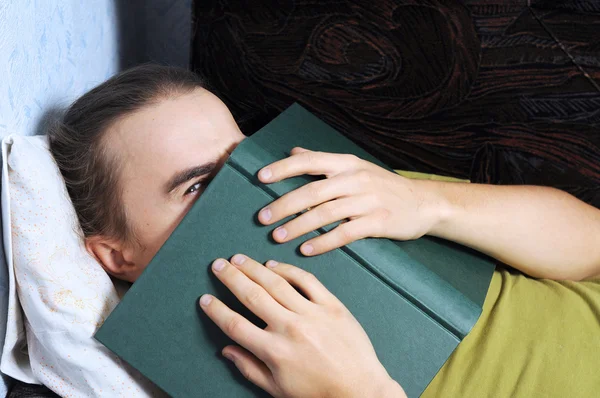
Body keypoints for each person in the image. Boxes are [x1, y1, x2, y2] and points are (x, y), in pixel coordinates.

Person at [49, 64, 600, 397]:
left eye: (241, 157)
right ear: (113, 256)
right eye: (196, 188)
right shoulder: (182, 360)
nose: (250, 189)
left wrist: (430, 202)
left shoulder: (320, 187)